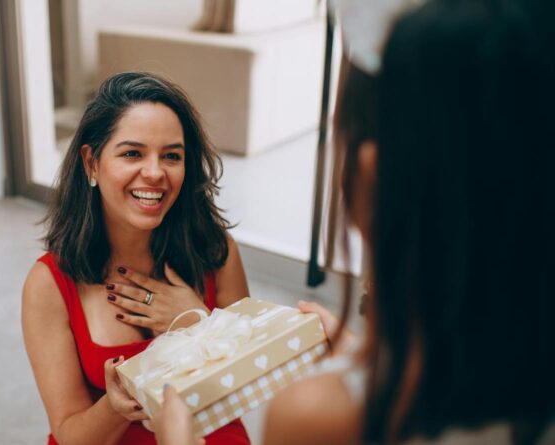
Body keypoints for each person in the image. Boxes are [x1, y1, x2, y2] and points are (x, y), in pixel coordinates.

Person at [152, 0, 555, 444]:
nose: (154, 173)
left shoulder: (325, 416)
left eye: (172, 155)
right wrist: (351, 347)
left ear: (370, 174)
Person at [22, 72, 251, 445]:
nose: (155, 172)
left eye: (172, 156)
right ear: (91, 163)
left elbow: (247, 384)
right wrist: (115, 405)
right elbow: (69, 434)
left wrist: (198, 325)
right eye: (132, 153)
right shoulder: (49, 284)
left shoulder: (217, 252)